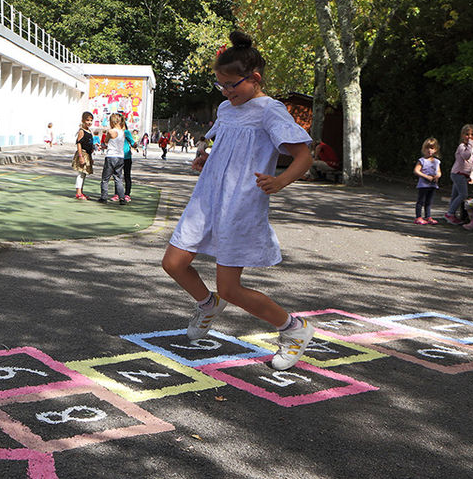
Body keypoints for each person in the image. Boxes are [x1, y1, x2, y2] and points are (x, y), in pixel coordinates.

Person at [160, 31, 315, 371]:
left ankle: (294, 329)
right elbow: (225, 147)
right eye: (221, 85)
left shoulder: (270, 111)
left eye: (232, 84)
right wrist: (206, 159)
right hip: (207, 197)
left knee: (230, 288)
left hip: (240, 204)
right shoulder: (226, 109)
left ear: (255, 78)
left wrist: (281, 180)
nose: (227, 91)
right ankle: (207, 304)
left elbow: (304, 156)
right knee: (173, 263)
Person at [444, 124, 473, 224]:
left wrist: (471, 175)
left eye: (472, 135)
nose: (469, 137)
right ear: (462, 135)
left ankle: (450, 214)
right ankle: (450, 213)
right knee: (463, 195)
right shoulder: (462, 147)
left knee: (455, 195)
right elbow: (466, 156)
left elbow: (472, 163)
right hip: (458, 174)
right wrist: (470, 145)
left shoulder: (472, 149)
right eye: (467, 134)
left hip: (464, 175)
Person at [99, 113, 128, 204]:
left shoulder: (111, 131)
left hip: (111, 156)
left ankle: (104, 197)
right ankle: (122, 198)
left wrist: (103, 145)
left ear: (112, 122)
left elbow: (105, 141)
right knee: (118, 178)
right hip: (120, 157)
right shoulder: (122, 132)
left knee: (105, 178)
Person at [413, 137, 442, 224]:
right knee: (420, 201)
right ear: (424, 149)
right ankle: (418, 217)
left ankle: (428, 216)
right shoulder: (422, 161)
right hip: (423, 185)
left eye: (432, 148)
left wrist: (437, 176)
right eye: (427, 148)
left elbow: (439, 172)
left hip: (432, 184)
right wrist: (426, 176)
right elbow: (416, 170)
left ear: (435, 150)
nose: (429, 150)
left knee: (429, 202)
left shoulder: (436, 162)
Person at [72, 112, 95, 200]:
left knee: (84, 174)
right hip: (83, 153)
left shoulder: (89, 131)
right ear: (83, 120)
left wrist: (91, 157)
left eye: (91, 120)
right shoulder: (81, 131)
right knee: (81, 173)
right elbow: (79, 143)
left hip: (88, 154)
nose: (89, 122)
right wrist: (81, 156)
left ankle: (81, 191)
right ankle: (78, 192)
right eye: (87, 120)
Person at [123, 115, 139, 202]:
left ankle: (127, 194)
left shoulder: (126, 132)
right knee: (117, 176)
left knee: (127, 175)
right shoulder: (114, 132)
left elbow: (132, 143)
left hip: (126, 156)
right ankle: (117, 193)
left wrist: (135, 144)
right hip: (117, 156)